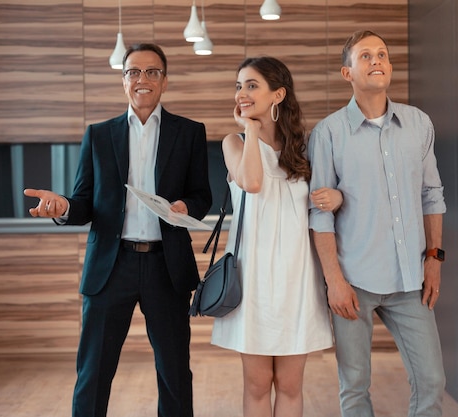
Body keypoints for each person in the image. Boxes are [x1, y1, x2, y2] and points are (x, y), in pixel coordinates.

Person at [23, 43, 212, 417]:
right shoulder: (98, 135)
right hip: (111, 268)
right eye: (134, 72)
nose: (143, 79)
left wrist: (185, 207)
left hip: (166, 268)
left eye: (152, 72)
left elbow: (202, 195)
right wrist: (62, 208)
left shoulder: (189, 132)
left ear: (165, 80)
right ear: (124, 80)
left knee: (174, 372)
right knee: (93, 372)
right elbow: (82, 204)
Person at [308, 30, 447, 417]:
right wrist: (334, 280)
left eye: (382, 54)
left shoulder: (419, 124)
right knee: (354, 386)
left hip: (410, 280)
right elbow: (319, 212)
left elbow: (432, 195)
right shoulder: (328, 134)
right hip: (354, 281)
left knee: (432, 381)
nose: (376, 61)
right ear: (346, 72)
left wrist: (434, 259)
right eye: (365, 55)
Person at [210, 56, 334, 417]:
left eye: (251, 85)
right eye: (238, 86)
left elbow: (332, 197)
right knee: (257, 384)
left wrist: (336, 196)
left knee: (292, 386)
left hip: (298, 278)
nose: (242, 93)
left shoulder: (304, 149)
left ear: (277, 94)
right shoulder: (233, 142)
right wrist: (249, 130)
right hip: (254, 279)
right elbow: (252, 182)